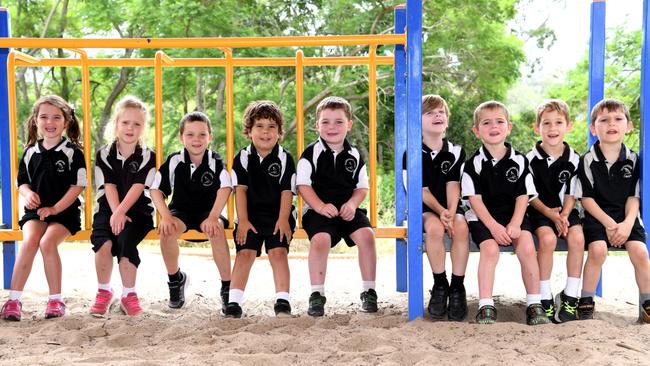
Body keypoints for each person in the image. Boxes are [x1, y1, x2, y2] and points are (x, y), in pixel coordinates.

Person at [461, 101, 549, 325]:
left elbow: (523, 196)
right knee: (490, 250)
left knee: (527, 247)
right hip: (484, 217)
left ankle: (534, 304)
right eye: (486, 122)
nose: (494, 126)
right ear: (476, 130)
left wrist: (515, 224)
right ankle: (486, 306)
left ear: (508, 127)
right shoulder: (473, 164)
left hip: (514, 217)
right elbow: (475, 200)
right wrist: (493, 227)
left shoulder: (520, 160)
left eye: (499, 121)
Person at [0, 95, 86, 321]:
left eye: (56, 117)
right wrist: (28, 195)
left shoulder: (72, 152)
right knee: (29, 241)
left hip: (64, 212)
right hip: (36, 212)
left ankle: (55, 299)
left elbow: (78, 186)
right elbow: (22, 182)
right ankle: (13, 300)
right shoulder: (30, 152)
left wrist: (55, 209)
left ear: (66, 122)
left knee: (47, 243)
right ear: (36, 121)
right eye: (44, 117)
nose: (50, 122)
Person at [297, 96, 377, 317]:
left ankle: (369, 290)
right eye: (325, 122)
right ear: (317, 125)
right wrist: (320, 206)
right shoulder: (310, 154)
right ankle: (316, 294)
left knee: (367, 235)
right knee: (321, 240)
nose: (332, 127)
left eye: (339, 122)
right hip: (318, 210)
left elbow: (362, 187)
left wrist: (352, 204)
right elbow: (303, 185)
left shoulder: (354, 155)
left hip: (347, 209)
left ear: (349, 125)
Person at [574, 98, 650, 323]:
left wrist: (626, 224)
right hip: (597, 216)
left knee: (640, 252)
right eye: (604, 120)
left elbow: (633, 197)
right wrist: (609, 224)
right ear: (593, 128)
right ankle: (586, 300)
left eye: (618, 119)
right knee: (598, 251)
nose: (611, 124)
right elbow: (586, 200)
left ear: (628, 126)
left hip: (626, 216)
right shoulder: (587, 160)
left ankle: (647, 302)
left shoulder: (634, 159)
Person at [150, 111, 232, 312]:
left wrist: (214, 217)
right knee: (167, 230)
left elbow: (225, 188)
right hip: (181, 211)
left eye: (202, 134)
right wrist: (166, 217)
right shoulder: (175, 160)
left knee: (217, 229)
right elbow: (155, 189)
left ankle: (227, 287)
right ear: (181, 137)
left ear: (209, 137)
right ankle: (175, 280)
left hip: (208, 212)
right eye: (190, 134)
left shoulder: (215, 161)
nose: (196, 139)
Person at [224, 101, 296, 318]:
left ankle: (283, 300)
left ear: (279, 132)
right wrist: (243, 221)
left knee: (278, 252)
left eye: (272, 126)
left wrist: (283, 219)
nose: (266, 132)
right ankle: (234, 302)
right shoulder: (243, 158)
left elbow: (286, 192)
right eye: (260, 126)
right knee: (245, 253)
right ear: (249, 131)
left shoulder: (284, 158)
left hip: (278, 215)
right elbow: (241, 191)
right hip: (250, 215)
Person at [403, 95, 469, 321]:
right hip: (425, 209)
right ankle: (440, 284)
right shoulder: (411, 153)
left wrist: (450, 212)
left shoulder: (456, 151)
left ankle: (457, 286)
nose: (437, 116)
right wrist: (441, 212)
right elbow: (420, 191)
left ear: (447, 121)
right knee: (434, 229)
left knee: (460, 227)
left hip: (450, 207)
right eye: (430, 113)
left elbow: (454, 184)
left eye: (441, 112)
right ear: (417, 121)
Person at [89, 96, 156, 316]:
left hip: (137, 209)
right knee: (104, 243)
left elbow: (138, 186)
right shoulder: (104, 153)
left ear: (143, 128)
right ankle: (104, 291)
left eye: (137, 124)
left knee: (126, 240)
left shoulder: (148, 155)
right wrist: (116, 213)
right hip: (108, 206)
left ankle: (129, 294)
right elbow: (109, 185)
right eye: (125, 122)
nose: (130, 128)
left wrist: (122, 212)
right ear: (116, 124)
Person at [526, 100, 585, 323]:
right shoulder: (529, 159)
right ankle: (544, 296)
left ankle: (570, 296)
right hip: (540, 211)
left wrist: (564, 215)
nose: (553, 129)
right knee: (547, 240)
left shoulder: (574, 158)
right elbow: (530, 196)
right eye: (546, 123)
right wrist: (551, 215)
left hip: (566, 213)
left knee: (578, 238)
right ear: (537, 127)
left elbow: (572, 193)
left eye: (559, 122)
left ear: (568, 126)